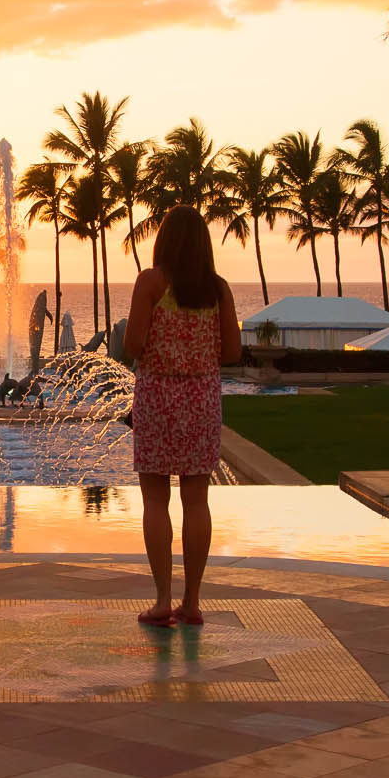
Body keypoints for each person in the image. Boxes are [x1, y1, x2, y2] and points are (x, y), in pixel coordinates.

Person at [122, 205, 241, 628]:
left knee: (155, 499)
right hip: (201, 400)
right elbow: (232, 352)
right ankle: (191, 601)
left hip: (157, 397)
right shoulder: (218, 289)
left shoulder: (151, 283)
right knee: (197, 501)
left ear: (164, 241)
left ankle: (161, 600)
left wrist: (160, 344)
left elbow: (133, 345)